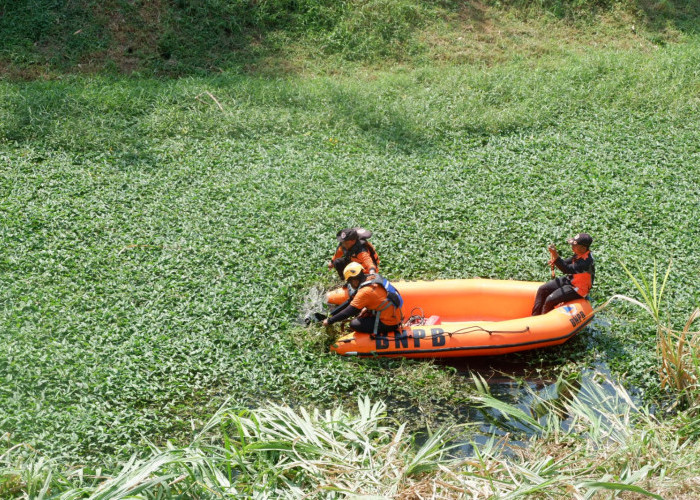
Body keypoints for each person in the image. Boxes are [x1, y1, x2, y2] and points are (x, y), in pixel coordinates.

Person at [323, 262, 403, 335]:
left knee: (354, 324)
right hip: (396, 315)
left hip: (390, 323)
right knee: (363, 312)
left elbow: (349, 312)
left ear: (354, 281)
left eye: (349, 282)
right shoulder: (373, 277)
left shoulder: (364, 292)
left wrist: (329, 321)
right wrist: (332, 315)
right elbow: (350, 301)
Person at [531, 232, 595, 316]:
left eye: (574, 245)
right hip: (571, 280)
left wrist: (555, 255)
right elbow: (568, 262)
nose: (572, 247)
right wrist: (556, 261)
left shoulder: (586, 262)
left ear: (583, 248)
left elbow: (567, 269)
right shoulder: (580, 253)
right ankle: (534, 316)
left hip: (578, 289)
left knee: (550, 300)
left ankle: (543, 322)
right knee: (543, 289)